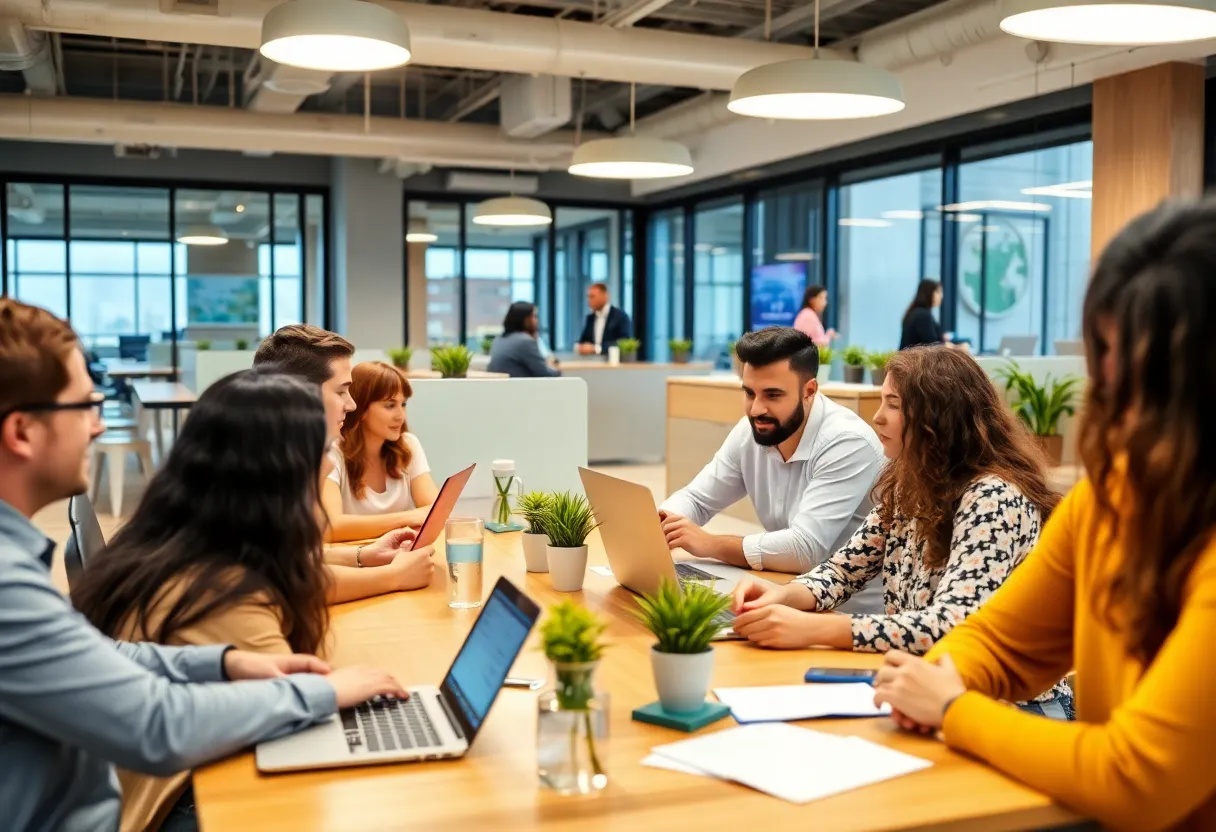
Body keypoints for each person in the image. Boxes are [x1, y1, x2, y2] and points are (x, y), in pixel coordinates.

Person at [870, 199, 1216, 828]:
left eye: (1134, 356)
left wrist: (953, 709)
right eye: (1103, 347)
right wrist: (938, 684)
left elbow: (1137, 776)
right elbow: (1002, 640)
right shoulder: (1108, 498)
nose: (1106, 378)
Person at [0, 299, 405, 832]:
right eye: (85, 406)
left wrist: (222, 663)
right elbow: (157, 725)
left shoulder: (18, 562)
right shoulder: (7, 584)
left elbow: (102, 654)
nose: (98, 426)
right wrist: (324, 691)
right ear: (23, 432)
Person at [73, 369, 433, 832]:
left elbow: (298, 580)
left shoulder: (188, 541)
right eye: (320, 453)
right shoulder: (220, 589)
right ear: (274, 474)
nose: (328, 467)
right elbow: (289, 724)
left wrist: (369, 563)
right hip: (177, 803)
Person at [729, 348, 1073, 715]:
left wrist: (813, 630)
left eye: (893, 404)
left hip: (1012, 707)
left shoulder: (993, 497)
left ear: (937, 417)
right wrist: (783, 596)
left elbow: (952, 625)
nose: (877, 418)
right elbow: (843, 572)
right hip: (929, 690)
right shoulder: (910, 485)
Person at [659, 327, 885, 612]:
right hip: (783, 593)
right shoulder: (751, 430)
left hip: (848, 615)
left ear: (809, 391)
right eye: (749, 393)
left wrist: (709, 544)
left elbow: (805, 549)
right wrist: (663, 523)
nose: (756, 409)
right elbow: (697, 499)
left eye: (773, 395)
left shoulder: (847, 441)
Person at [253, 324, 431, 595]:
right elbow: (284, 585)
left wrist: (363, 555)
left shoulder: (285, 457)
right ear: (299, 396)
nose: (352, 405)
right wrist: (393, 576)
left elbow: (286, 558)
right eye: (340, 392)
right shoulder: (258, 468)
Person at [323, 361, 442, 541]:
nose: (400, 416)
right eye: (389, 405)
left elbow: (435, 511)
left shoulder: (408, 445)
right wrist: (407, 517)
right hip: (354, 562)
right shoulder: (333, 452)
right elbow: (330, 527)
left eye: (403, 404)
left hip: (400, 556)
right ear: (361, 409)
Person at [488, 301, 561, 378]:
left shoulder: (499, 339)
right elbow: (546, 374)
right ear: (525, 320)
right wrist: (555, 368)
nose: (537, 321)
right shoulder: (524, 341)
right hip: (518, 388)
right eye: (534, 316)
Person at [576, 282, 632, 355]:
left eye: (592, 296)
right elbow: (583, 341)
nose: (589, 300)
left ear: (605, 296)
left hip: (614, 362)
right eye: (588, 297)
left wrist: (596, 348)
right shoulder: (590, 318)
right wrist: (582, 347)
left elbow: (624, 342)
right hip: (592, 362)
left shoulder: (620, 317)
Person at [899, 279, 947, 350]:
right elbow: (932, 345)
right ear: (929, 293)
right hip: (916, 359)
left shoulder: (918, 312)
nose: (941, 296)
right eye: (938, 292)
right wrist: (955, 348)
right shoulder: (922, 315)